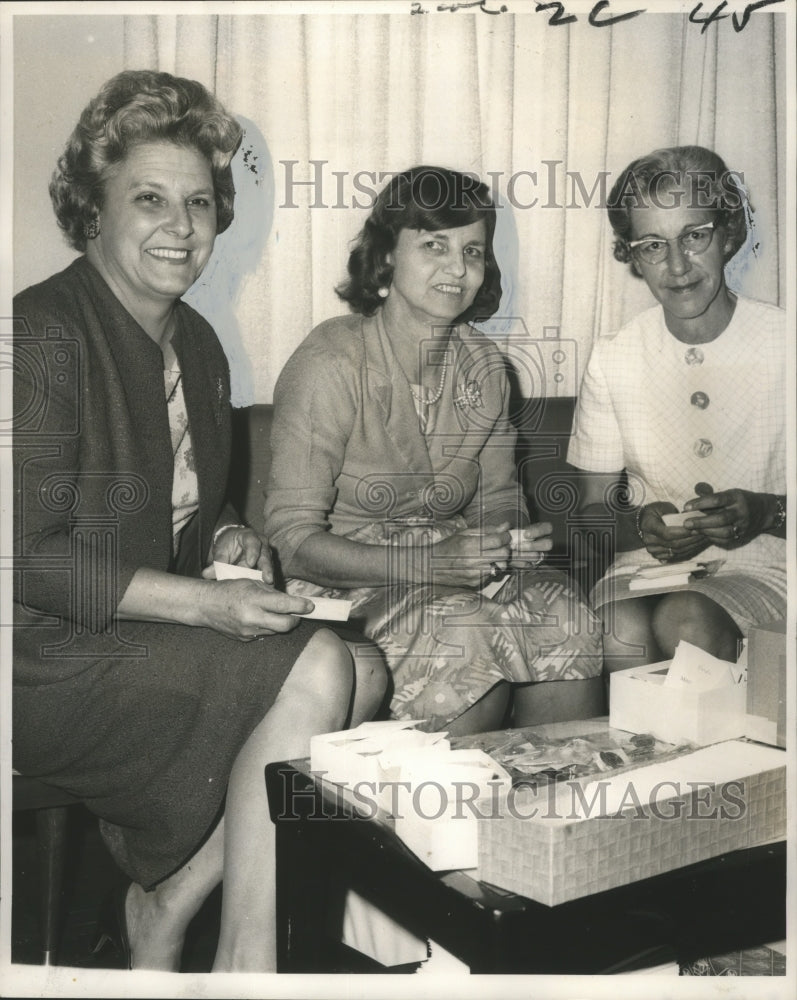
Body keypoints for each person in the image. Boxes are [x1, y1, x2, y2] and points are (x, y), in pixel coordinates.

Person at [12, 69, 387, 973]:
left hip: (136, 640)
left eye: (201, 203)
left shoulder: (199, 345)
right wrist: (204, 605)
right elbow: (22, 557)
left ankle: (167, 905)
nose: (182, 228)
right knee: (323, 666)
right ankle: (245, 968)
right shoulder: (40, 334)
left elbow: (188, 494)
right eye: (149, 199)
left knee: (363, 676)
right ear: (90, 207)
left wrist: (226, 536)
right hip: (38, 655)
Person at [264, 166, 604, 735]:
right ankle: (439, 817)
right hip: (340, 583)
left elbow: (498, 496)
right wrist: (431, 562)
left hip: (449, 569)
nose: (458, 267)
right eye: (434, 245)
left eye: (473, 250)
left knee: (565, 612)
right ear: (388, 255)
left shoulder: (487, 367)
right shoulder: (330, 363)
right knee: (462, 630)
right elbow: (293, 543)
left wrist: (505, 540)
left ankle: (555, 808)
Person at [567, 146, 786, 676]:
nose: (677, 265)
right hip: (645, 570)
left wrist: (766, 512)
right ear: (632, 256)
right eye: (652, 245)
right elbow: (591, 517)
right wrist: (642, 528)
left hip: (770, 564)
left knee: (687, 623)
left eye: (694, 235)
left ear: (728, 233)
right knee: (622, 631)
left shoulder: (787, 343)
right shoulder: (614, 356)